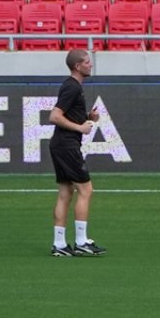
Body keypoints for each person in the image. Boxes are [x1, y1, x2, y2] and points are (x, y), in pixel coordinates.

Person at [49, 49, 105, 257]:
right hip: (67, 145)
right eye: (87, 62)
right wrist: (81, 128)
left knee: (66, 193)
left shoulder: (73, 87)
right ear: (77, 66)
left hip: (61, 145)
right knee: (86, 190)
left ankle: (59, 244)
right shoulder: (72, 87)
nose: (91, 64)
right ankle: (81, 241)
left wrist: (89, 117)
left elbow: (69, 116)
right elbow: (54, 116)